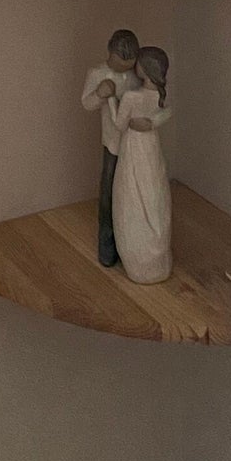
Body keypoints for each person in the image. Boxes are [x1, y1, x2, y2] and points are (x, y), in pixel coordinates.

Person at [111, 45, 173, 282]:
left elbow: (119, 124)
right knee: (153, 191)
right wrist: (153, 122)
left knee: (132, 194)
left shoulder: (131, 97)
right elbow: (167, 112)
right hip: (151, 147)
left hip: (134, 148)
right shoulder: (158, 94)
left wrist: (109, 100)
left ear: (144, 69)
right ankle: (156, 254)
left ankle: (139, 258)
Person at [80, 28, 140, 267]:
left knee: (134, 191)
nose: (125, 68)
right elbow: (87, 104)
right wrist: (99, 93)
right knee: (108, 191)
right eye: (120, 63)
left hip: (136, 144)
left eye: (129, 63)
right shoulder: (97, 73)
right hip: (113, 143)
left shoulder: (137, 73)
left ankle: (134, 241)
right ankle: (108, 241)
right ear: (110, 53)